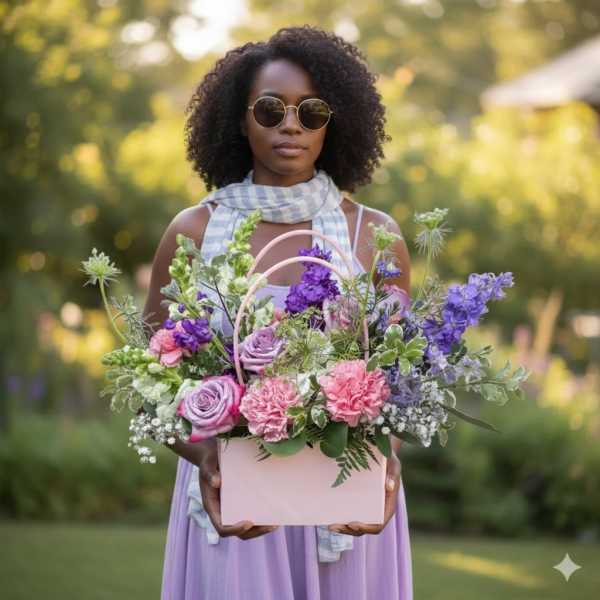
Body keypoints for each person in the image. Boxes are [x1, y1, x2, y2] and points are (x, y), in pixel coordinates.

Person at [143, 25, 413, 600]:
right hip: (235, 504)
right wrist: (206, 460)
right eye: (270, 109)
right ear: (240, 121)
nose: (291, 124)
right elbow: (151, 383)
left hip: (347, 502)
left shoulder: (375, 235)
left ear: (332, 124)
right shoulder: (194, 231)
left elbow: (401, 379)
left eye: (310, 112)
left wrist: (388, 463)